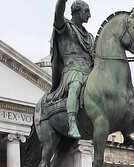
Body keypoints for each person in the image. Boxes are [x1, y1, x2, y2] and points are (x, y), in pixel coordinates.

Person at [49, 0, 94, 139]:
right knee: (75, 85)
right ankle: (72, 123)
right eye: (86, 11)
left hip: (89, 70)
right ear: (77, 11)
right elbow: (58, 13)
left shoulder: (89, 36)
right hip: (71, 69)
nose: (90, 15)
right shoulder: (64, 27)